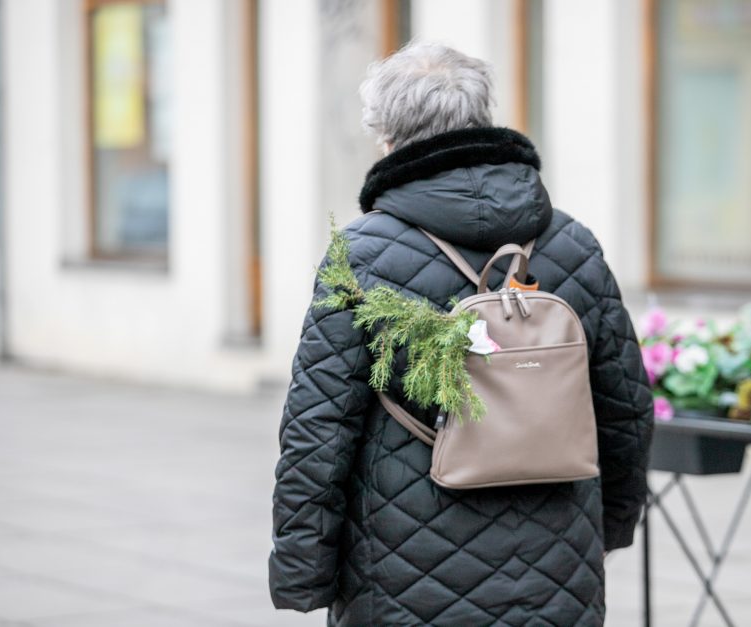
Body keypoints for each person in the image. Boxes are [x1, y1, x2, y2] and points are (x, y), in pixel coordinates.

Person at [269, 42, 654, 626]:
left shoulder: (364, 253)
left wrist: (303, 571)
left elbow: (318, 428)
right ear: (481, 116)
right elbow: (625, 406)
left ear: (388, 135)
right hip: (557, 563)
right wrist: (610, 526)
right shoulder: (573, 244)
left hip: (401, 571)